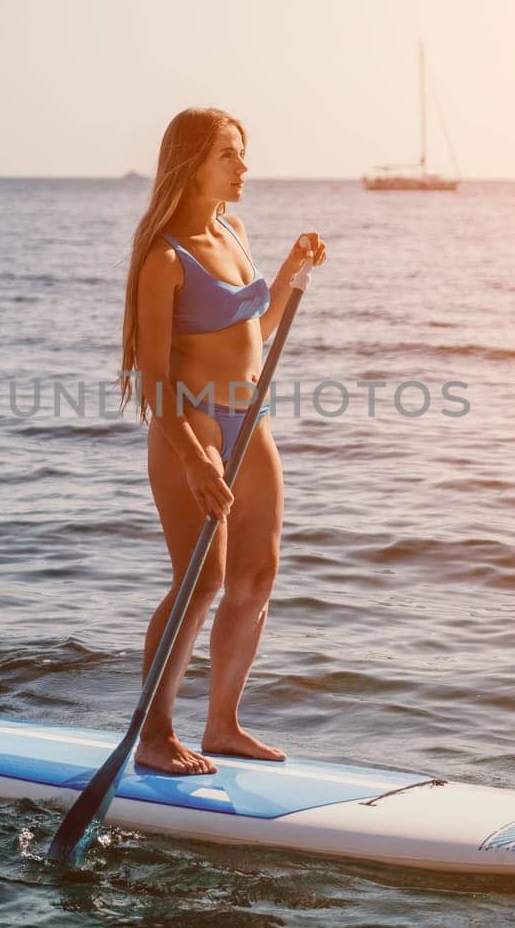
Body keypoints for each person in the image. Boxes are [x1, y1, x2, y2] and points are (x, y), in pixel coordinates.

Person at [118, 108, 327, 775]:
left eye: (243, 154)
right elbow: (154, 381)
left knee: (256, 575)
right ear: (192, 164)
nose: (244, 168)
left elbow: (254, 330)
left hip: (249, 418)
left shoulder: (233, 231)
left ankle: (223, 724)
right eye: (229, 156)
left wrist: (293, 268)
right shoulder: (163, 258)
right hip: (193, 424)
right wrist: (190, 451)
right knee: (199, 581)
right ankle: (154, 734)